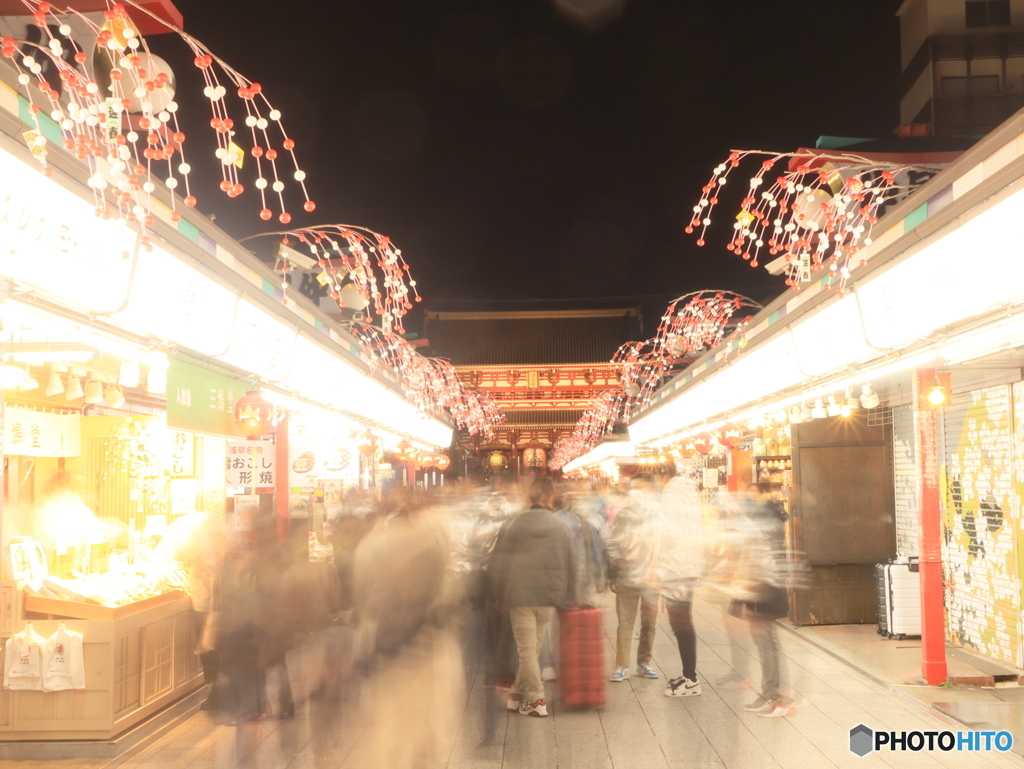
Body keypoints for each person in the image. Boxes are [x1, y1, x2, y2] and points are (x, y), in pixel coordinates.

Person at [487, 477, 578, 718]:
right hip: (549, 597)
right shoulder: (561, 526)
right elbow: (573, 563)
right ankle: (517, 695)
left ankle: (536, 700)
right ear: (550, 498)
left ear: (528, 498)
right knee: (532, 649)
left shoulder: (514, 523)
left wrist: (497, 593)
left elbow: (498, 562)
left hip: (520, 596)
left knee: (526, 652)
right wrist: (574, 595)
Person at [733, 483, 795, 718]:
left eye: (751, 496)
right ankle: (770, 693)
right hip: (761, 590)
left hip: (766, 590)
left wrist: (750, 590)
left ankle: (780, 698)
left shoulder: (766, 520)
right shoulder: (765, 517)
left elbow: (762, 559)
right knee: (765, 644)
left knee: (768, 644)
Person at [605, 474, 660, 682]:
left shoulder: (659, 514)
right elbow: (612, 543)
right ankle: (621, 665)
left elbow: (667, 544)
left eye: (641, 488)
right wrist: (614, 572)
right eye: (634, 488)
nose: (637, 492)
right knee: (625, 622)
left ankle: (644, 662)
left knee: (649, 623)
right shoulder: (624, 514)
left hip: (651, 578)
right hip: (627, 575)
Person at [657, 474, 705, 697]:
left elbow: (669, 537)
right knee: (682, 625)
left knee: (681, 626)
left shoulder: (672, 495)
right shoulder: (686, 495)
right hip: (686, 568)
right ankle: (688, 675)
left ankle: (691, 680)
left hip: (677, 571)